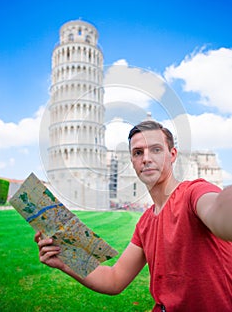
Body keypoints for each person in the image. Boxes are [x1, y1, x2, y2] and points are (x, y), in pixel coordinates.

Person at [35, 120, 232, 311]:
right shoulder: (145, 223)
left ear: (172, 155)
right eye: (138, 152)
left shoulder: (193, 193)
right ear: (132, 161)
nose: (146, 158)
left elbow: (219, 213)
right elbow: (114, 279)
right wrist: (65, 260)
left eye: (156, 149)